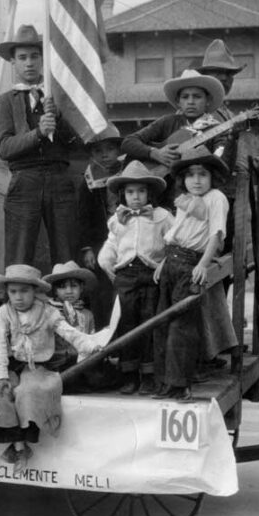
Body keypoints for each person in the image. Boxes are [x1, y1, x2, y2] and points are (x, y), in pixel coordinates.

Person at [0, 265, 102, 473]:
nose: (18, 297)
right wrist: (1, 375)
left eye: (24, 291)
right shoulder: (4, 312)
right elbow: (0, 345)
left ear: (35, 291)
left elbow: (70, 333)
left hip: (37, 365)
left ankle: (23, 442)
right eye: (13, 292)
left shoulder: (47, 312)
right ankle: (20, 447)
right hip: (13, 365)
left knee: (28, 392)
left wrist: (90, 345)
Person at [151, 147, 235, 402]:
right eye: (190, 175)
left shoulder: (216, 198)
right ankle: (165, 384)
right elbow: (177, 231)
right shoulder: (185, 199)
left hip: (191, 264)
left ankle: (181, 385)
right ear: (183, 179)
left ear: (212, 178)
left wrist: (203, 264)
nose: (196, 180)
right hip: (172, 261)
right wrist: (163, 262)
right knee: (161, 323)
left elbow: (216, 234)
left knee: (182, 327)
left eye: (202, 175)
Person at [0, 25, 79, 269]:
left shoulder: (58, 97)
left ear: (43, 59)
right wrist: (37, 133)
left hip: (59, 178)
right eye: (22, 58)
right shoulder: (6, 102)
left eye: (34, 56)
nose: (28, 63)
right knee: (19, 253)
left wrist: (59, 119)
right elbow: (5, 148)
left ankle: (70, 305)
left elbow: (77, 146)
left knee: (67, 252)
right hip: (24, 180)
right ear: (13, 62)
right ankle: (17, 305)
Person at [97, 160, 173, 395]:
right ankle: (129, 375)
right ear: (123, 194)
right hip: (125, 275)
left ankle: (149, 376)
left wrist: (164, 265)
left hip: (151, 275)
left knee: (149, 323)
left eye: (141, 191)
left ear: (150, 193)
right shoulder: (118, 219)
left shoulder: (162, 216)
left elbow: (174, 243)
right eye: (130, 192)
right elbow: (112, 245)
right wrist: (108, 266)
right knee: (126, 323)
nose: (136, 197)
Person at [119, 69, 226, 190]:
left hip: (198, 191)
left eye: (197, 97)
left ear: (208, 100)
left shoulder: (218, 129)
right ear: (178, 102)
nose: (190, 102)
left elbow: (221, 161)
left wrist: (231, 138)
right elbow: (128, 142)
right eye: (185, 97)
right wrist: (154, 153)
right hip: (163, 192)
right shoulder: (167, 122)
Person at [195, 39, 246, 253]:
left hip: (227, 196)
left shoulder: (227, 113)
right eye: (218, 72)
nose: (225, 78)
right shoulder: (197, 108)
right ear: (206, 77)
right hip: (203, 200)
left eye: (229, 74)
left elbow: (233, 158)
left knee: (224, 260)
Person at [74, 126, 123, 326]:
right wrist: (87, 248)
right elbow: (82, 216)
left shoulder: (128, 172)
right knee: (103, 291)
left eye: (110, 149)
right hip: (100, 242)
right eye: (98, 151)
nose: (104, 155)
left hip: (126, 238)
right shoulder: (89, 180)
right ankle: (106, 335)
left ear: (118, 151)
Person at [43, 261, 104, 394]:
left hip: (83, 360)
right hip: (59, 361)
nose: (69, 291)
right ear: (55, 290)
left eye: (74, 286)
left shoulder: (87, 314)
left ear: (81, 288)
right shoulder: (51, 311)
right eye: (63, 287)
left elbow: (92, 337)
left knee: (104, 373)